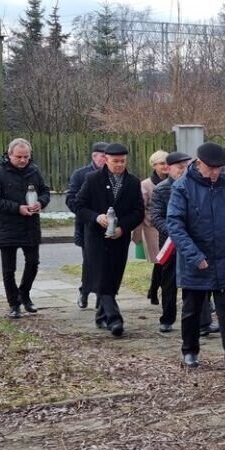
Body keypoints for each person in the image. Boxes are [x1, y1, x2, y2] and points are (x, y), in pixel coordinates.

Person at [167, 142, 225, 372]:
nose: (216, 172)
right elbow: (175, 225)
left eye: (220, 168)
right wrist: (194, 256)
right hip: (196, 260)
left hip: (223, 258)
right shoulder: (183, 187)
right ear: (199, 164)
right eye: (211, 168)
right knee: (192, 310)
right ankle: (189, 351)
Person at [76, 143, 145, 338]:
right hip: (96, 239)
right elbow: (79, 205)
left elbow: (138, 212)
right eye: (116, 161)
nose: (119, 165)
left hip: (119, 239)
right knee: (101, 276)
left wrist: (123, 227)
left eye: (123, 161)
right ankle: (114, 319)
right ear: (106, 160)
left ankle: (101, 316)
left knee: (112, 278)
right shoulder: (92, 179)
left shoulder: (132, 182)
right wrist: (96, 217)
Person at [0, 138, 51, 318]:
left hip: (30, 225)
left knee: (33, 263)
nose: (23, 160)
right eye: (19, 157)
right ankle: (14, 304)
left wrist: (41, 202)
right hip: (8, 226)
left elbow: (45, 191)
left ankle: (24, 294)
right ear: (9, 155)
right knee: (9, 269)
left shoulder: (34, 171)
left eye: (26, 157)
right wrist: (17, 208)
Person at [150, 150, 193, 333]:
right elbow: (156, 216)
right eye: (179, 167)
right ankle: (167, 318)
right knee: (169, 282)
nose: (183, 171)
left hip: (192, 242)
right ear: (169, 169)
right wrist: (175, 232)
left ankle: (199, 319)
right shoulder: (161, 189)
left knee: (195, 281)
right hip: (170, 242)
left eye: (186, 167)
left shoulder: (194, 186)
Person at [66, 141, 108, 309]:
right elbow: (71, 200)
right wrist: (89, 215)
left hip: (109, 224)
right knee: (90, 261)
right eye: (103, 156)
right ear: (94, 156)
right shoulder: (81, 174)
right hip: (87, 225)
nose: (106, 160)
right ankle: (85, 291)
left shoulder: (115, 175)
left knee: (106, 262)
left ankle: (101, 296)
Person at [140, 150, 170, 306]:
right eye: (161, 163)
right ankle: (155, 290)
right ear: (154, 165)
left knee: (165, 260)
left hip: (169, 226)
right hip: (152, 228)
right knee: (160, 260)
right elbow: (141, 207)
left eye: (167, 163)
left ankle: (153, 289)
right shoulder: (146, 184)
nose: (165, 166)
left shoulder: (174, 181)